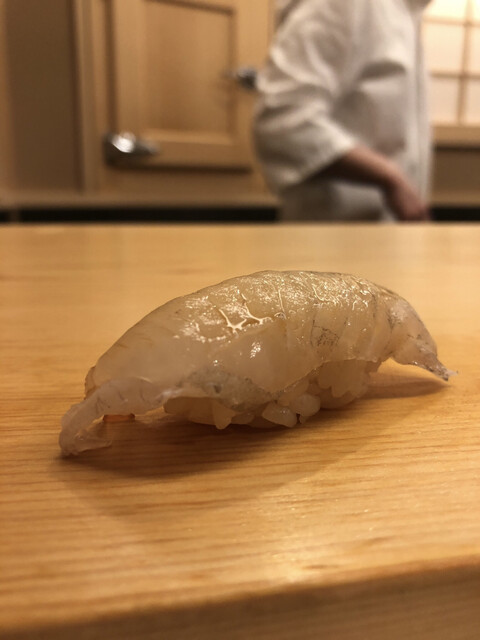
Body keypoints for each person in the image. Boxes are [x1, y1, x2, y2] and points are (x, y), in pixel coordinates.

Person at [253, 0, 433, 222]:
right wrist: (389, 177)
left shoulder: (406, 13)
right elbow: (283, 122)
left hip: (382, 233)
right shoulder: (349, 4)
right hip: (331, 234)